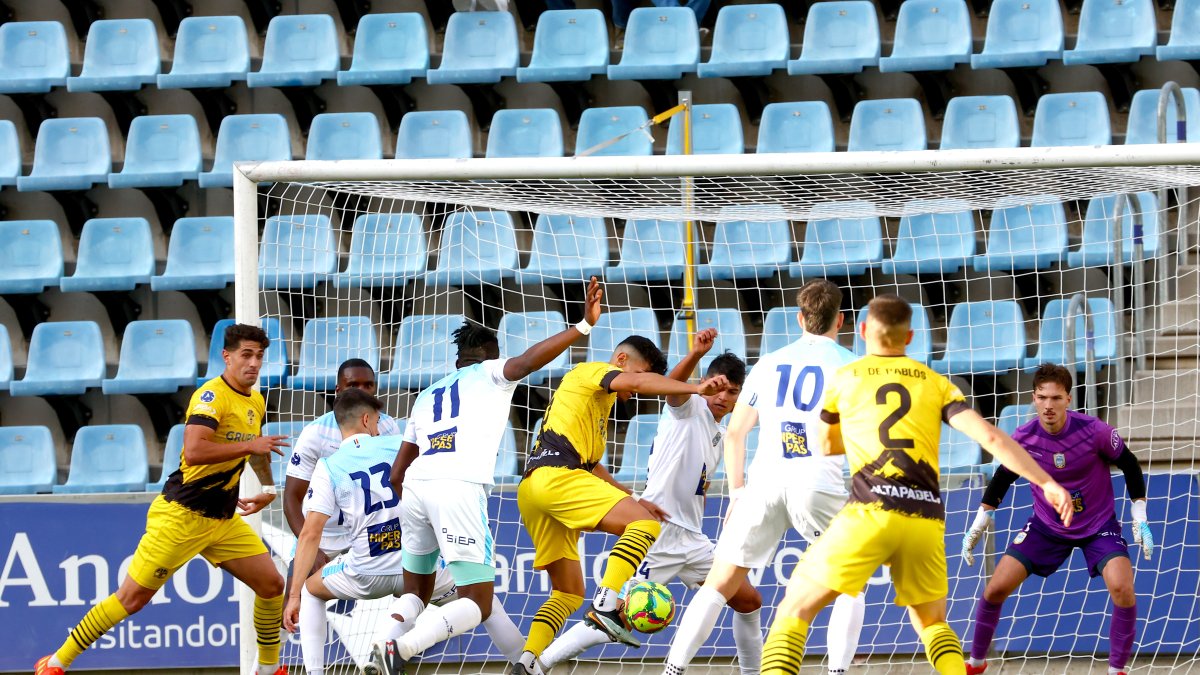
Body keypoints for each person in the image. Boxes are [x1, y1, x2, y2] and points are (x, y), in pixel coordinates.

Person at [757, 294, 1075, 675]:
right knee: (933, 625)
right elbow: (991, 439)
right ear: (909, 337)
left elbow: (826, 446)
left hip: (869, 512)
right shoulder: (934, 383)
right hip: (924, 518)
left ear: (861, 332)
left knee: (794, 609)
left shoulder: (845, 378)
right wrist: (1047, 482)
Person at [379, 277, 606, 672]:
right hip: (458, 486)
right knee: (479, 601)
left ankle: (383, 645)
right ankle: (403, 649)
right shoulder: (491, 372)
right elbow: (529, 361)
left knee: (416, 592)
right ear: (491, 357)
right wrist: (582, 327)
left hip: (415, 488)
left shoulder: (426, 394)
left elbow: (398, 470)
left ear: (456, 362)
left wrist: (416, 505)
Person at [36, 323, 291, 675]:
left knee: (272, 583)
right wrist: (250, 445)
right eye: (246, 355)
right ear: (227, 356)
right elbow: (195, 449)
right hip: (181, 515)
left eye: (260, 356)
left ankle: (269, 669)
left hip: (222, 518)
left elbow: (257, 450)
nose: (254, 363)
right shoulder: (211, 396)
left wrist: (267, 489)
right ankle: (54, 663)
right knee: (132, 599)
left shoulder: (255, 400)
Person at [664, 279, 865, 675]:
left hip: (764, 483)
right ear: (840, 321)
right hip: (817, 481)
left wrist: (737, 492)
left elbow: (737, 432)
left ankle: (673, 669)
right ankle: (838, 671)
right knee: (850, 581)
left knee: (718, 585)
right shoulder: (852, 366)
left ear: (799, 319)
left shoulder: (769, 362)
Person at [511, 327, 733, 675]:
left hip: (535, 489)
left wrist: (631, 496)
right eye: (640, 375)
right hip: (556, 479)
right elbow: (646, 386)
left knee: (568, 592)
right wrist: (695, 386)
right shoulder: (591, 371)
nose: (637, 386)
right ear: (622, 360)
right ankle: (606, 602)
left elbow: (591, 463)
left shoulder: (596, 405)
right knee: (644, 525)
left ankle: (528, 662)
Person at [961, 363, 1153, 675]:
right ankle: (976, 663)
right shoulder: (1024, 437)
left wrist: (1139, 514)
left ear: (1068, 399)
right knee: (995, 588)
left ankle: (1117, 669)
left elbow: (1130, 464)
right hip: (1046, 526)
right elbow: (1002, 477)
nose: (1048, 406)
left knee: (1123, 589)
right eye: (1042, 397)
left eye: (1056, 398)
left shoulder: (1095, 431)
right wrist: (981, 518)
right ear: (1033, 398)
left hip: (1098, 525)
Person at [283, 389, 465, 675]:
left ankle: (316, 673)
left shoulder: (329, 466)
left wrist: (293, 595)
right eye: (378, 421)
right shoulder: (398, 446)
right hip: (415, 570)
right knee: (479, 600)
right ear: (367, 421)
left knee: (310, 591)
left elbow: (309, 533)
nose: (380, 427)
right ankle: (525, 660)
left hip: (364, 573)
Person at [283, 359, 404, 673]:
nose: (362, 390)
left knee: (406, 589)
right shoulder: (315, 433)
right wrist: (315, 549)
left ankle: (391, 657)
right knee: (291, 601)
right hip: (327, 533)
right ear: (338, 390)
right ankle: (266, 666)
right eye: (354, 385)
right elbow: (292, 498)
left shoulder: (389, 425)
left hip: (371, 528)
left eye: (368, 385)